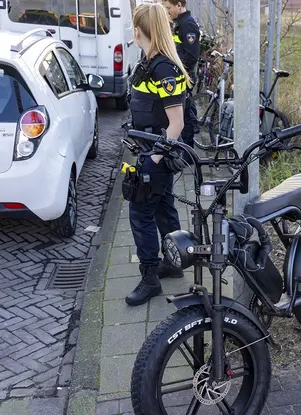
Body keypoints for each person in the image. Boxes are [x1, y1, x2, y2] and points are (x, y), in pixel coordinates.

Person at [125, 2, 190, 306]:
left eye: (133, 26)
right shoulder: (150, 61)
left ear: (140, 30)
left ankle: (150, 278)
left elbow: (176, 123)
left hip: (156, 156)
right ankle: (175, 262)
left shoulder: (162, 67)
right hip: (151, 151)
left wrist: (153, 160)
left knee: (140, 213)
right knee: (163, 209)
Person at [162, 0, 199, 151]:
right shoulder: (179, 23)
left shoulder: (187, 25)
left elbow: (191, 56)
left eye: (169, 8)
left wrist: (174, 64)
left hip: (185, 77)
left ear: (179, 5)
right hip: (181, 76)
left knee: (185, 116)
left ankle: (188, 153)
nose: (167, 11)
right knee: (183, 113)